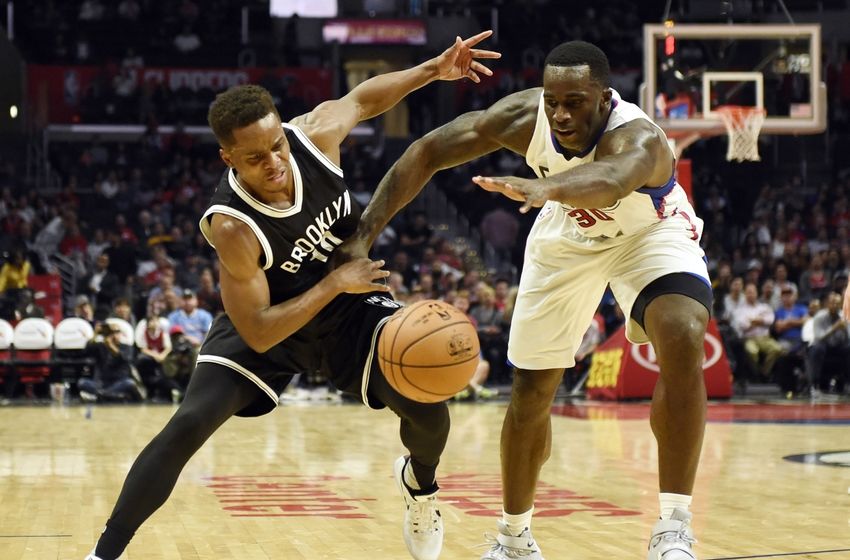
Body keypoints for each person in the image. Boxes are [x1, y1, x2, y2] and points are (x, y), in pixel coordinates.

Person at [83, 31, 500, 560]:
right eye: (256, 157)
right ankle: (104, 553)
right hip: (270, 323)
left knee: (428, 408)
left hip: (348, 315)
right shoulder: (231, 228)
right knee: (189, 423)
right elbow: (258, 328)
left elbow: (364, 98)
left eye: (276, 144)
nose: (275, 162)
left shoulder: (313, 136)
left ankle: (420, 486)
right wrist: (331, 281)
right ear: (228, 158)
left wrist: (430, 71)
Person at [337, 41, 712, 560]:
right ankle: (514, 538)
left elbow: (609, 180)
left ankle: (673, 526)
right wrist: (364, 233)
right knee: (531, 394)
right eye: (553, 100)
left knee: (684, 335)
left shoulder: (641, 139)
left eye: (575, 102)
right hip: (567, 235)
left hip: (649, 234)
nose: (559, 114)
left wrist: (549, 188)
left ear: (605, 98)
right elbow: (427, 151)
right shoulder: (524, 117)